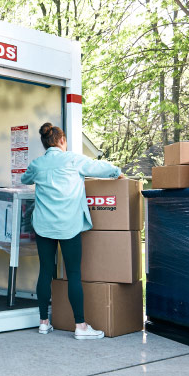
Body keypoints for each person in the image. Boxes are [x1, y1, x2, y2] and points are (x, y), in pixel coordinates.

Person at [21, 122, 123, 339]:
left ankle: (43, 322)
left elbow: (25, 179)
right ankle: (80, 326)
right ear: (62, 140)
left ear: (45, 143)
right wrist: (117, 173)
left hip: (44, 226)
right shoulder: (74, 160)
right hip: (69, 225)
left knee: (45, 272)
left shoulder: (37, 164)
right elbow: (100, 168)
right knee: (74, 274)